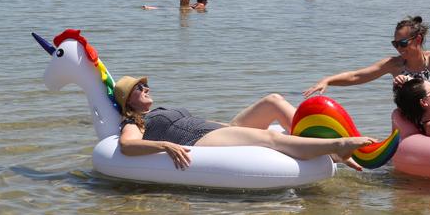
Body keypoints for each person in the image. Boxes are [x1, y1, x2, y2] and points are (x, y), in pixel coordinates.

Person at [115, 76, 374, 170]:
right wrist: (166, 146)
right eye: (139, 88)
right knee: (268, 140)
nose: (146, 88)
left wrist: (231, 128)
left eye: (146, 84)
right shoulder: (135, 120)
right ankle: (336, 145)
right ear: (129, 101)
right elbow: (127, 145)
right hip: (196, 141)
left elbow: (200, 120)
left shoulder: (162, 109)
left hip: (214, 129)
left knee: (273, 100)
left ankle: (324, 144)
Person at [303, 16, 430, 115]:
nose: (399, 48)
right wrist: (328, 80)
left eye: (402, 43)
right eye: (395, 44)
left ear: (418, 39)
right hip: (405, 121)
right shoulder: (394, 65)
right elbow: (357, 76)